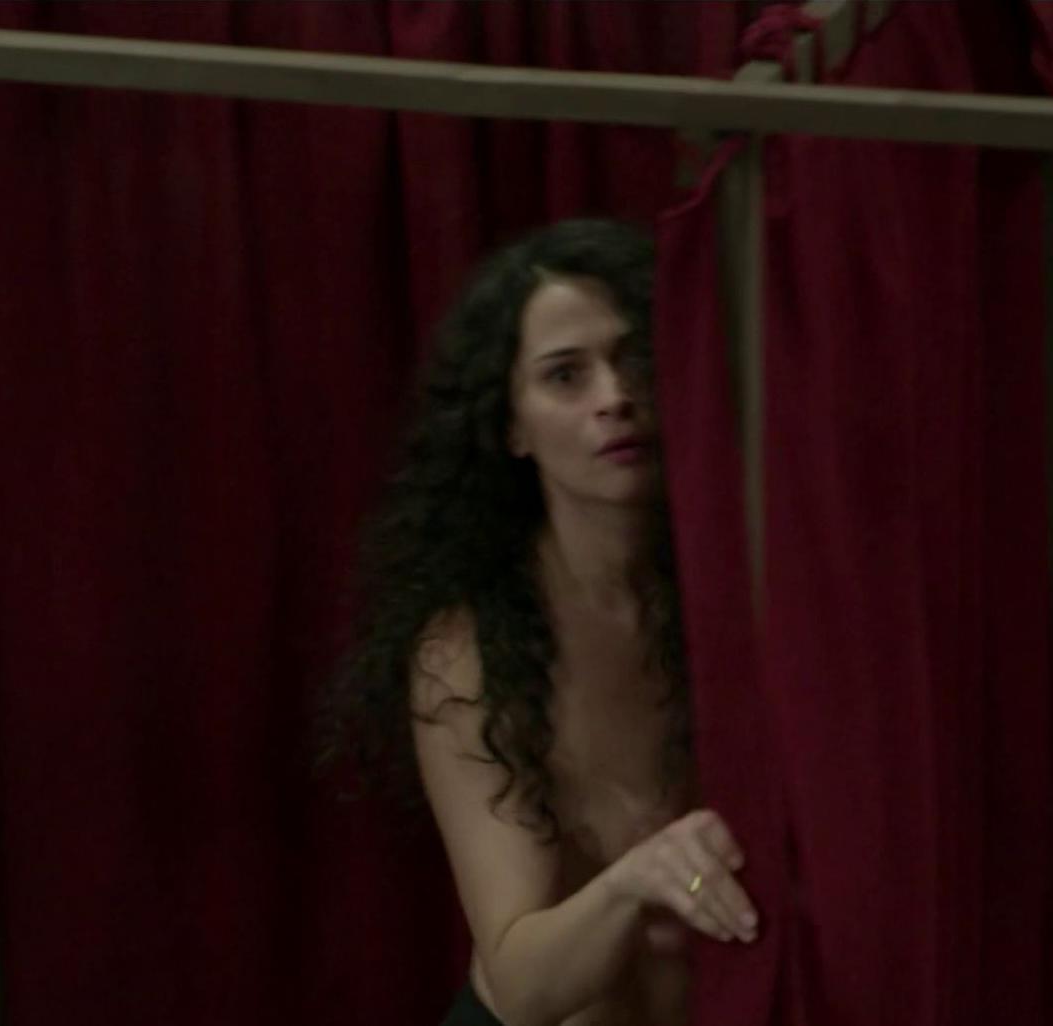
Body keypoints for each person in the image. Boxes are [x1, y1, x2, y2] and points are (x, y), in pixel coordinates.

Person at [318, 220, 757, 1026]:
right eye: (565, 376)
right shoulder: (471, 649)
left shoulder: (746, 595)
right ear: (511, 425)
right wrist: (637, 878)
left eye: (634, 358)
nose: (614, 397)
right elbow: (521, 984)